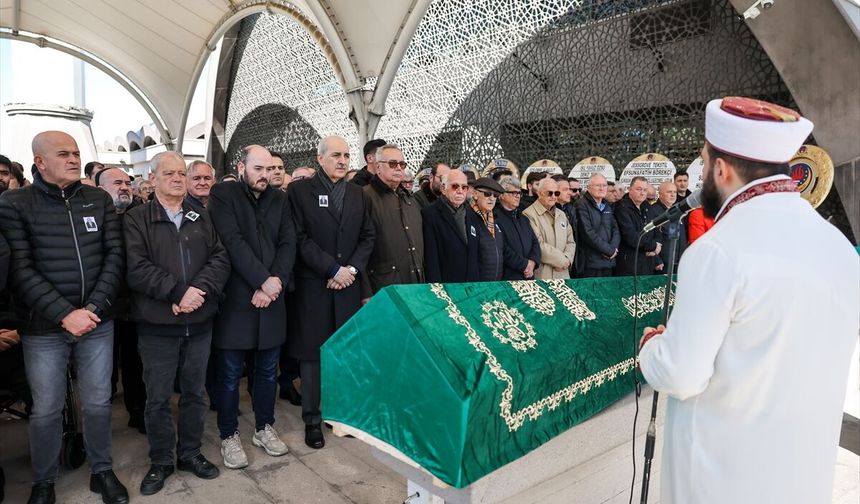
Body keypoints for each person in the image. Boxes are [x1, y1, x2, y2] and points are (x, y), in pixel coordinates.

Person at [639, 97, 858, 504]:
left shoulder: (717, 251)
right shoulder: (840, 248)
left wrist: (653, 347)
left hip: (723, 482)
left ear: (721, 168)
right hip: (802, 481)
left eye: (703, 163)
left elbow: (681, 374)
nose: (702, 173)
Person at [0, 131, 128, 504]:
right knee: (46, 409)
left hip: (96, 322)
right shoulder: (14, 203)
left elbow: (114, 257)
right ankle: (44, 480)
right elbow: (20, 270)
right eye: (63, 154)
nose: (74, 159)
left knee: (99, 402)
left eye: (76, 153)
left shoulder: (98, 199)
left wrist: (93, 309)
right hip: (43, 328)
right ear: (39, 162)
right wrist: (64, 314)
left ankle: (102, 470)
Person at [124, 151, 230, 495]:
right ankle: (161, 460)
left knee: (195, 394)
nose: (177, 178)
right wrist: (177, 292)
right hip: (158, 324)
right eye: (168, 173)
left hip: (199, 320)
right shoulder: (137, 218)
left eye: (181, 173)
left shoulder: (200, 214)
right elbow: (137, 268)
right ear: (152, 178)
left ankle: (189, 453)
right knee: (157, 398)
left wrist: (197, 291)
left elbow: (219, 257)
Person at [208, 145, 297, 468]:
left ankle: (264, 427)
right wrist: (263, 281)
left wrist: (275, 283)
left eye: (269, 168)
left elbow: (288, 244)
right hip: (238, 299)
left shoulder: (280, 199)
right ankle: (229, 435)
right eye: (257, 168)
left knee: (266, 373)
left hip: (272, 298)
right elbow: (232, 243)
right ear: (241, 166)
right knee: (230, 375)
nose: (264, 175)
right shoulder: (224, 195)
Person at [287, 135, 374, 449]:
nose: (342, 160)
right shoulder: (299, 191)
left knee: (344, 353)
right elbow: (299, 238)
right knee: (313, 358)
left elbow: (368, 237)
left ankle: (338, 415)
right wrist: (331, 269)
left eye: (347, 155)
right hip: (316, 286)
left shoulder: (358, 195)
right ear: (319, 157)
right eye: (336, 154)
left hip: (347, 286)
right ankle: (312, 419)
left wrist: (350, 270)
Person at [97, 167, 148, 434]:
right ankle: (99, 416)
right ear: (101, 188)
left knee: (133, 360)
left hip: (133, 303)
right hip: (101, 304)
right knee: (102, 366)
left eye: (127, 183)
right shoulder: (91, 217)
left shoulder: (139, 216)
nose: (125, 187)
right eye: (117, 183)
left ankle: (137, 410)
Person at [361, 144, 424, 300]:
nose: (398, 168)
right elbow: (357, 246)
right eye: (392, 164)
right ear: (378, 167)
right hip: (382, 288)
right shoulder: (364, 197)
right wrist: (365, 292)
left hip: (415, 285)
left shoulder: (409, 198)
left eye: (402, 164)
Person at [422, 169, 479, 283]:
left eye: (464, 187)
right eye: (455, 186)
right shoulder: (430, 214)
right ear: (443, 189)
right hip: (447, 286)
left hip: (471, 286)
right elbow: (431, 259)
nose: (460, 191)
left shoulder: (471, 214)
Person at [523, 177, 575, 279]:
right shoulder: (528, 214)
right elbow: (538, 245)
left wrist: (568, 259)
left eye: (556, 193)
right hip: (543, 275)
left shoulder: (562, 214)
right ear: (539, 193)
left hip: (563, 274)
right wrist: (561, 261)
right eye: (549, 193)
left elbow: (571, 242)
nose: (553, 196)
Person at [613, 176, 662, 276]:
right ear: (630, 189)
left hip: (648, 262)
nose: (642, 193)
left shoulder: (647, 206)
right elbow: (631, 237)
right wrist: (652, 246)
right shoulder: (621, 208)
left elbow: (656, 230)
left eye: (645, 190)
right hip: (629, 264)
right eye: (638, 189)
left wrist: (657, 245)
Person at [494, 176, 540, 280]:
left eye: (519, 193)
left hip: (528, 277)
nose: (517, 196)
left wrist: (533, 262)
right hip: (508, 277)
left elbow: (535, 242)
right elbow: (502, 248)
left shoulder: (523, 218)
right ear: (501, 195)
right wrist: (524, 265)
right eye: (513, 193)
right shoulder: (494, 218)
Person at [573, 173, 620, 277]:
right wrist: (608, 250)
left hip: (608, 262)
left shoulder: (607, 205)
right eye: (598, 185)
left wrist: (613, 248)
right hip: (590, 263)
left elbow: (615, 229)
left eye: (604, 185)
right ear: (589, 188)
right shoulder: (581, 205)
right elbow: (587, 233)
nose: (602, 188)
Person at [468, 177, 506, 281]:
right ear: (475, 194)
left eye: (495, 195)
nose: (492, 198)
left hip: (494, 284)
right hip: (475, 286)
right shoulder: (467, 217)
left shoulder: (494, 219)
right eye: (487, 194)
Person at [653, 181, 687, 269]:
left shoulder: (677, 210)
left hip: (679, 262)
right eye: (669, 192)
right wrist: (657, 260)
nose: (673, 195)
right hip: (663, 264)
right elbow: (651, 238)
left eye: (674, 192)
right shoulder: (654, 211)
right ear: (660, 194)